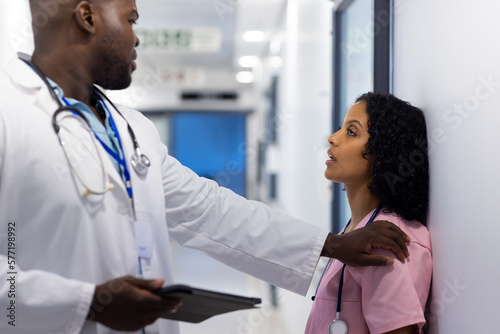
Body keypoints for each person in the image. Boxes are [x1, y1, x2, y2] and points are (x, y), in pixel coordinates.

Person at [0, 1, 411, 333]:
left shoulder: (133, 130)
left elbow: (209, 210)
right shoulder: (9, 112)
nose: (136, 37)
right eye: (130, 20)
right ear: (88, 17)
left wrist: (331, 245)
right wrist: (86, 303)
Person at [305, 93, 433, 334]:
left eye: (351, 132)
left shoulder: (388, 241)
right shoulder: (357, 231)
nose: (333, 138)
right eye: (341, 129)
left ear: (383, 154)